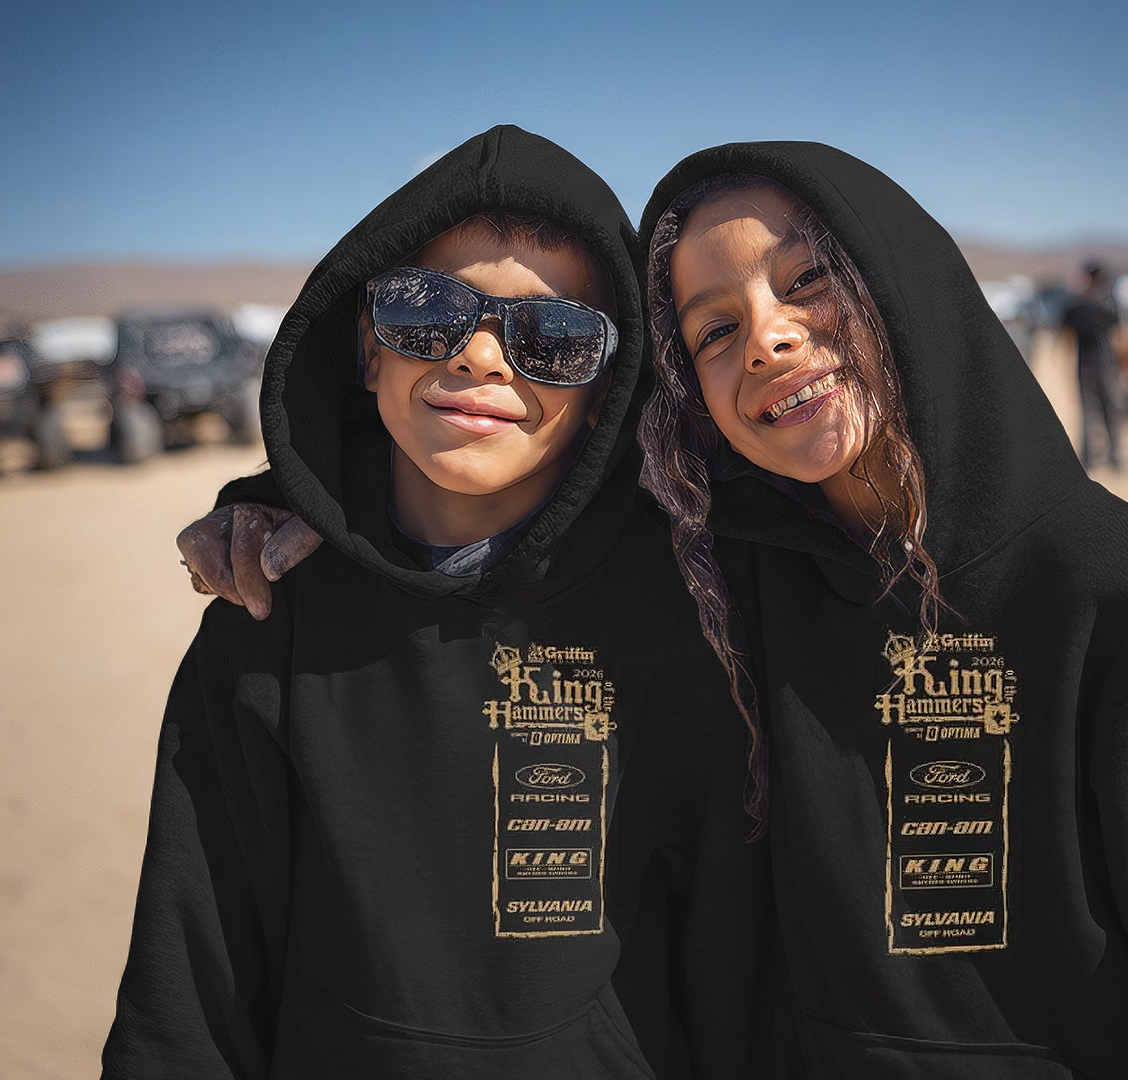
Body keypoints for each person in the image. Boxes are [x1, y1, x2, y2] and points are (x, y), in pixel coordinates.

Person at [190, 140, 1128, 1077]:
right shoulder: (728, 583)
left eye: (809, 280)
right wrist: (300, 498)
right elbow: (515, 499)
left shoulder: (1112, 593)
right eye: (711, 329)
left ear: (900, 275)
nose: (767, 337)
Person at [104, 126, 771, 1080]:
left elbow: (739, 973)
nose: (484, 359)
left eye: (556, 337)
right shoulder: (266, 626)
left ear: (608, 388)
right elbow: (190, 988)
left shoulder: (690, 617)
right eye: (428, 313)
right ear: (368, 349)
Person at [1059, 260, 1128, 472]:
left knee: (1090, 412)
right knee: (1110, 411)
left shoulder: (1076, 305)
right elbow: (1121, 338)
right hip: (1105, 366)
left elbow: (1065, 339)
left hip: (1086, 367)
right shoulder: (1106, 304)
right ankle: (1113, 456)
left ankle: (1090, 459)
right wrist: (1127, 365)